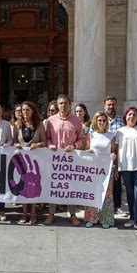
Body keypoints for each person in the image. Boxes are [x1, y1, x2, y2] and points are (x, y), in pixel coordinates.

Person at [45, 94, 85, 226]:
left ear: (70, 105)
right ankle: (51, 214)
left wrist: (74, 146)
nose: (63, 105)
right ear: (57, 105)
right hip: (54, 159)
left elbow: (81, 139)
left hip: (70, 159)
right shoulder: (50, 121)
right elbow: (47, 137)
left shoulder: (77, 121)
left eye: (66, 103)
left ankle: (73, 215)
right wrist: (50, 144)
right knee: (54, 187)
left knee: (70, 187)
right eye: (61, 103)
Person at [14, 101, 46, 225]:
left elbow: (44, 142)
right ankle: (24, 213)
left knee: (33, 186)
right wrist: (16, 144)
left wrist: (38, 144)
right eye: (23, 110)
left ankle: (33, 214)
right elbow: (14, 141)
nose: (25, 112)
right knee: (23, 186)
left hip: (35, 161)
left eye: (27, 110)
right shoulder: (17, 124)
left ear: (33, 111)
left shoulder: (40, 124)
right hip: (21, 161)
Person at [84, 112, 116, 228]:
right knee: (92, 193)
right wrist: (89, 152)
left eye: (104, 120)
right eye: (99, 120)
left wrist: (113, 155)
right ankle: (91, 218)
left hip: (106, 170)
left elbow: (113, 151)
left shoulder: (111, 135)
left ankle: (106, 219)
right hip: (92, 169)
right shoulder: (90, 135)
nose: (102, 122)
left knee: (107, 195)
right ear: (95, 122)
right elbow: (85, 152)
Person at [104, 96, 126, 217]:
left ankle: (117, 207)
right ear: (104, 106)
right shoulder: (100, 119)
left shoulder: (122, 121)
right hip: (102, 158)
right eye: (108, 104)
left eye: (113, 104)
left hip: (117, 156)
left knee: (117, 182)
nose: (111, 107)